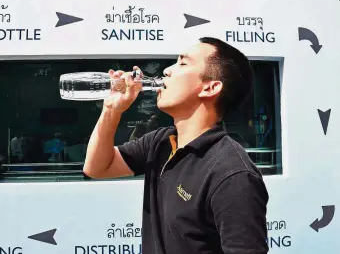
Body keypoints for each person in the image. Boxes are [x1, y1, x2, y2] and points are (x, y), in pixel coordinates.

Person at [83, 37, 269, 254]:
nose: (167, 71)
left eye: (183, 63)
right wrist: (112, 110)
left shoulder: (232, 175)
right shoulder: (159, 142)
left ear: (210, 88)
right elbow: (97, 168)